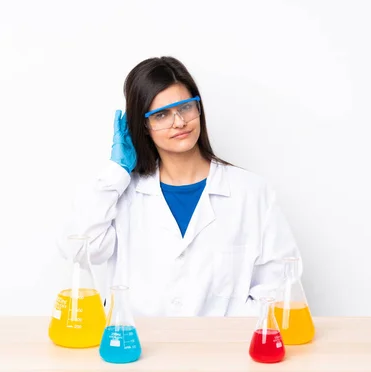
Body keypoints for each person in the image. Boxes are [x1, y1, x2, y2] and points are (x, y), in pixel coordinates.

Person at [62, 56, 301, 317]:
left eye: (185, 107)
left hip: (225, 352)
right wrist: (116, 172)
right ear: (143, 125)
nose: (179, 122)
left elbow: (280, 287)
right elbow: (80, 250)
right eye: (161, 114)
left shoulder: (251, 193)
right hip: (138, 352)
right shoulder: (124, 195)